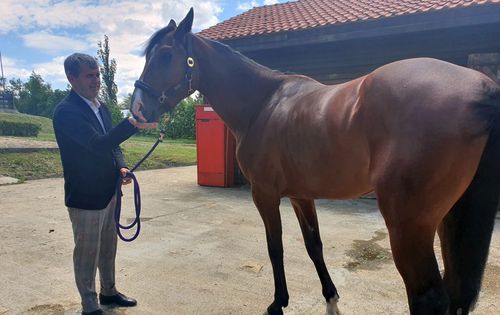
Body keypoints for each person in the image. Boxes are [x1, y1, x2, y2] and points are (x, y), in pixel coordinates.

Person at [53, 53, 156, 315]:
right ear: (71, 78)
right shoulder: (66, 112)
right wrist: (132, 123)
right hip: (85, 196)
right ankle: (89, 305)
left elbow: (112, 145)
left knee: (108, 248)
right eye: (90, 75)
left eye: (98, 74)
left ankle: (108, 292)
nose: (96, 80)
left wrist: (121, 165)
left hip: (109, 191)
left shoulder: (101, 108)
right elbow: (96, 145)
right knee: (87, 253)